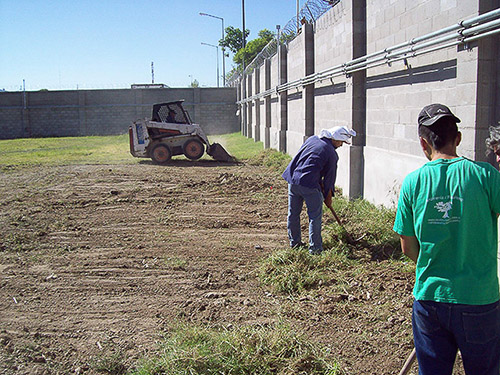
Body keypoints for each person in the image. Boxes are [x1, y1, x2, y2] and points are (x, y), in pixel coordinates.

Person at [393, 103, 500, 375]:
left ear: (422, 143)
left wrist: (436, 261)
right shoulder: (487, 176)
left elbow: (407, 247)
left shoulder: (412, 183)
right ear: (459, 138)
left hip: (430, 299)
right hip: (479, 299)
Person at [282, 126, 356, 255]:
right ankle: (315, 249)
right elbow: (329, 179)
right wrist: (328, 198)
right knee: (314, 217)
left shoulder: (313, 139)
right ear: (335, 139)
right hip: (309, 185)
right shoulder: (331, 153)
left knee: (293, 213)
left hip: (293, 180)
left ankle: (295, 243)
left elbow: (307, 161)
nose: (341, 145)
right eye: (341, 142)